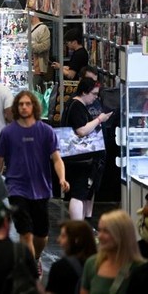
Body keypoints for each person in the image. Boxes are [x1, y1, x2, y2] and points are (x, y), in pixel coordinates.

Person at [0, 90, 70, 264]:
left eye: (27, 103)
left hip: (41, 188)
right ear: (16, 107)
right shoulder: (7, 133)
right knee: (25, 233)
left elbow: (57, 159)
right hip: (16, 188)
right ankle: (30, 271)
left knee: (41, 235)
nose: (24, 107)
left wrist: (62, 178)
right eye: (20, 104)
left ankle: (36, 258)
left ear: (34, 106)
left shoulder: (46, 131)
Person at [61, 77, 112, 222]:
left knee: (82, 194)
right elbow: (81, 130)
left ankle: (82, 225)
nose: (95, 97)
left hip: (80, 159)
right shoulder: (77, 106)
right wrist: (99, 120)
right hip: (80, 159)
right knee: (78, 194)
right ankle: (78, 228)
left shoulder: (75, 105)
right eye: (94, 94)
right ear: (84, 92)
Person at [80, 209, 145, 294]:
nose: (100, 236)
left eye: (106, 231)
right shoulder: (92, 264)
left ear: (121, 234)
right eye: (100, 230)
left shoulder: (141, 270)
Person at [45, 220, 97, 294]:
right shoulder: (99, 264)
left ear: (76, 240)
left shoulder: (59, 267)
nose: (58, 240)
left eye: (63, 236)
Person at [30, 16, 51, 88]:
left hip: (37, 70)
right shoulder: (28, 28)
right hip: (28, 69)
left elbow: (45, 46)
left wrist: (28, 46)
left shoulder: (43, 28)